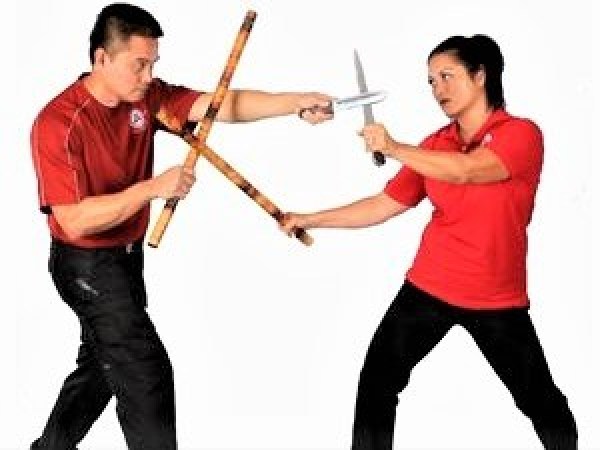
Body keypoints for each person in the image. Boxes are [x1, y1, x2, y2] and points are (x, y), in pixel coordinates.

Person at [29, 3, 332, 449]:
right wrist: (152, 189)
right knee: (144, 371)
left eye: (154, 64)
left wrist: (294, 102)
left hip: (126, 259)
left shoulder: (146, 98)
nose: (149, 75)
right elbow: (73, 220)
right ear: (101, 58)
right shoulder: (59, 122)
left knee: (101, 366)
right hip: (85, 266)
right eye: (139, 64)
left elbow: (219, 105)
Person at [281, 34, 578, 449]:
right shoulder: (435, 145)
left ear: (480, 75)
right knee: (378, 379)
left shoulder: (521, 134)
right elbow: (383, 204)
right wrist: (309, 218)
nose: (438, 89)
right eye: (431, 81)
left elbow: (468, 170)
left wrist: (393, 147)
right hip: (429, 286)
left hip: (496, 298)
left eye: (447, 76)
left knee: (540, 400)